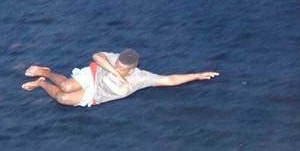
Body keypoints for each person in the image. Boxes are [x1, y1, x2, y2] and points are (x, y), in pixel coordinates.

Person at [21, 49, 219, 107]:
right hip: (94, 74)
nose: (116, 66)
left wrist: (197, 75)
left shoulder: (141, 78)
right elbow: (97, 56)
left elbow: (170, 80)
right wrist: (116, 72)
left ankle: (41, 83)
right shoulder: (115, 59)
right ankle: (46, 72)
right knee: (66, 85)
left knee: (63, 98)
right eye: (117, 63)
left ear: (132, 69)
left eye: (121, 68)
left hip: (98, 94)